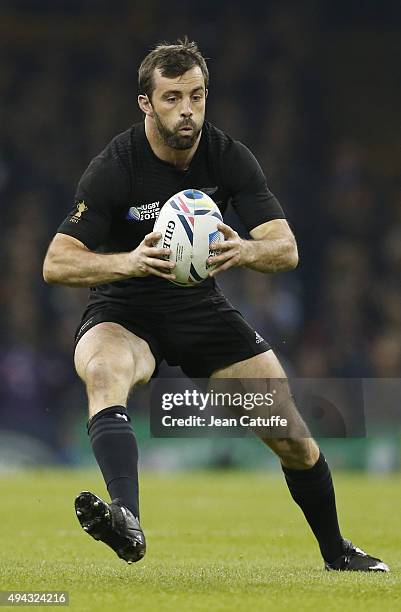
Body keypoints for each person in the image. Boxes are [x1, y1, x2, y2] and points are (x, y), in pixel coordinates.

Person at [43, 38, 388, 572]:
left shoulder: (228, 156)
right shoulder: (115, 166)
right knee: (105, 374)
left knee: (290, 434)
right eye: (173, 97)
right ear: (146, 104)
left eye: (198, 96)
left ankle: (337, 553)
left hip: (199, 309)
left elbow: (287, 249)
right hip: (125, 306)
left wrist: (245, 249)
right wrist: (129, 262)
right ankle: (126, 518)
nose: (187, 110)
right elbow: (57, 262)